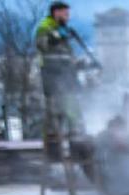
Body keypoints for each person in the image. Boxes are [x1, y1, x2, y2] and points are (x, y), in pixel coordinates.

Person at [36, 2, 81, 149]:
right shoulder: (45, 26)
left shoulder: (64, 29)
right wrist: (56, 36)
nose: (68, 17)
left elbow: (67, 55)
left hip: (65, 73)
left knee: (71, 102)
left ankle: (74, 132)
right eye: (65, 13)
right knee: (55, 107)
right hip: (51, 72)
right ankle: (53, 137)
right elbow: (42, 45)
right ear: (56, 13)